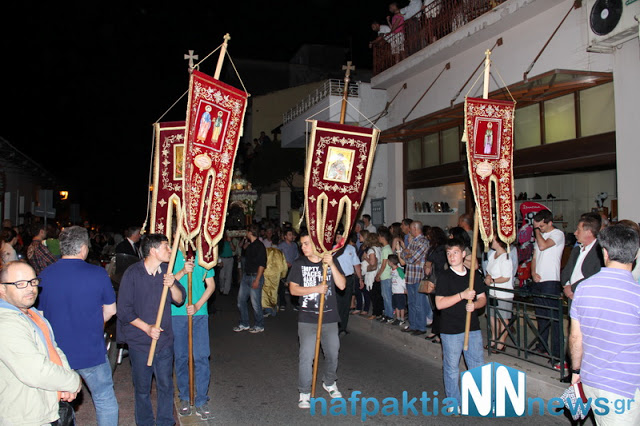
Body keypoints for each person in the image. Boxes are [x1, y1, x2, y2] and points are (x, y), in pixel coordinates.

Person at [38, 226, 119, 426]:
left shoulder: (44, 276)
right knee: (103, 397)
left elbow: (38, 317)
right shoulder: (98, 274)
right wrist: (95, 326)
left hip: (55, 353)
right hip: (90, 349)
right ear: (83, 248)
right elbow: (111, 311)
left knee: (54, 403)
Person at [570, 225, 640, 425]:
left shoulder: (583, 288)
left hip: (591, 379)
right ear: (635, 255)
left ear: (605, 252)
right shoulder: (636, 294)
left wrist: (576, 372)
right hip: (624, 387)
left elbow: (576, 338)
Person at [117, 234, 187, 426]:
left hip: (164, 342)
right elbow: (124, 310)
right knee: (142, 388)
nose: (170, 251)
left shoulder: (166, 272)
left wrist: (172, 285)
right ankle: (145, 422)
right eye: (167, 247)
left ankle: (165, 421)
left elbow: (180, 299)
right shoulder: (132, 274)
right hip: (140, 343)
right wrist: (147, 328)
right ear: (153, 250)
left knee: (165, 386)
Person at [0, 261, 82, 425]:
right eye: (20, 284)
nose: (30, 288)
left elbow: (53, 348)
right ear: (2, 289)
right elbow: (36, 371)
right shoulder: (6, 323)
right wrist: (73, 381)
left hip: (43, 404)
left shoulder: (31, 313)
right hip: (25, 414)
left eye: (32, 282)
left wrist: (64, 384)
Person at [288, 231, 346, 409]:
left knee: (332, 353)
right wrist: (316, 289)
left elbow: (342, 285)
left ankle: (329, 382)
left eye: (306, 243)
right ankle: (304, 391)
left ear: (316, 245)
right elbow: (293, 290)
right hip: (307, 318)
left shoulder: (329, 262)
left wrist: (331, 265)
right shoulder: (299, 264)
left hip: (329, 317)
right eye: (302, 244)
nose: (303, 247)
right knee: (306, 356)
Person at [435, 239, 487, 412]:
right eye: (449, 253)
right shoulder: (444, 277)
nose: (452, 256)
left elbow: (482, 299)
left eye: (455, 252)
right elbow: (440, 304)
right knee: (451, 368)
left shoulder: (474, 276)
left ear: (464, 254)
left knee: (477, 365)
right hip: (451, 329)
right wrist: (462, 295)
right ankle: (453, 402)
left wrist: (476, 305)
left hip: (472, 328)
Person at [171, 250, 214, 419]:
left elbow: (211, 285)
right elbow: (167, 283)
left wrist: (197, 305)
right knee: (181, 357)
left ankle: (202, 400)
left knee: (202, 356)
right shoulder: (172, 255)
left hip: (199, 313)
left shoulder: (204, 255)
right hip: (177, 313)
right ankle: (184, 397)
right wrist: (182, 271)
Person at [531, 209, 565, 368]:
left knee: (554, 318)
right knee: (541, 316)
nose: (539, 229)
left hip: (551, 281)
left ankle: (557, 353)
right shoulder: (540, 236)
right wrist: (533, 272)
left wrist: (537, 231)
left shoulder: (558, 234)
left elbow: (543, 246)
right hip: (538, 281)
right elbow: (535, 256)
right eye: (537, 227)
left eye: (541, 226)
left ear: (550, 222)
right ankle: (542, 346)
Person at [398, 220, 431, 336]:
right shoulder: (412, 241)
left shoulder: (423, 242)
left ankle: (421, 326)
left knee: (419, 303)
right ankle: (413, 325)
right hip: (410, 276)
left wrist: (407, 254)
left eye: (411, 229)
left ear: (416, 229)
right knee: (411, 303)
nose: (409, 231)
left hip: (418, 277)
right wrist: (408, 254)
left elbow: (411, 258)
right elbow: (403, 254)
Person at [561, 214, 603, 302]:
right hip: (572, 296)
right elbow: (566, 271)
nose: (575, 233)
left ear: (588, 232)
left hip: (588, 297)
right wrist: (567, 287)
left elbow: (595, 276)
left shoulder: (600, 251)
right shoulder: (576, 250)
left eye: (578, 230)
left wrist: (572, 288)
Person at [234, 225, 267, 333]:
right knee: (241, 301)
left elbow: (262, 265)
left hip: (254, 276)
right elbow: (243, 248)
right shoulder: (250, 245)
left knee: (255, 303)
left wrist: (257, 280)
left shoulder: (259, 246)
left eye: (246, 232)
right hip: (246, 276)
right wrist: (244, 239)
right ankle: (244, 323)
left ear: (250, 232)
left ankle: (259, 324)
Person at [484, 237, 514, 353]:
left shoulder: (506, 258)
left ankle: (501, 342)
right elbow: (488, 270)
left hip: (503, 293)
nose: (491, 241)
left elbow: (506, 277)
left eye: (494, 240)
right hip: (492, 292)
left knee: (503, 318)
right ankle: (493, 339)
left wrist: (493, 280)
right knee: (492, 316)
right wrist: (488, 277)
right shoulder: (492, 255)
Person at [335, 232, 362, 336]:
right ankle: (335, 326)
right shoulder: (332, 250)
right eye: (337, 238)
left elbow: (357, 265)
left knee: (346, 303)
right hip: (336, 279)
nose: (339, 239)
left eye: (340, 237)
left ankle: (343, 327)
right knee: (337, 303)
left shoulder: (351, 249)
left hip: (349, 278)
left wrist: (360, 278)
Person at [375, 228, 394, 322]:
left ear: (382, 237)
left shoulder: (386, 249)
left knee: (387, 296)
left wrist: (378, 274)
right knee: (385, 295)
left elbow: (384, 264)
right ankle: (387, 313)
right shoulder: (386, 248)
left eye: (378, 236)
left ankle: (390, 315)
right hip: (385, 275)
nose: (378, 238)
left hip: (386, 276)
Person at [278, 228, 299, 310]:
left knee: (293, 285)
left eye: (292, 235)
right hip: (284, 268)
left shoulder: (294, 245)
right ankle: (282, 303)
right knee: (282, 286)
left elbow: (296, 256)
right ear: (285, 236)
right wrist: (284, 263)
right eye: (289, 235)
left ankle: (294, 303)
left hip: (292, 267)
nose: (291, 236)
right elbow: (277, 257)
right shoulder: (281, 246)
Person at [262, 247, 288, 317]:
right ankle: (273, 309)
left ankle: (267, 309)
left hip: (266, 274)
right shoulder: (280, 252)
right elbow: (284, 266)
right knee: (274, 292)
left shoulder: (266, 250)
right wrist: (283, 275)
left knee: (265, 292)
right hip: (276, 275)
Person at [388, 254, 407, 325]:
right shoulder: (391, 270)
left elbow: (403, 279)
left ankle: (402, 318)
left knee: (401, 306)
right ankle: (398, 318)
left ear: (391, 262)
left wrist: (405, 288)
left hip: (400, 291)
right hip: (394, 291)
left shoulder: (399, 270)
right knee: (396, 305)